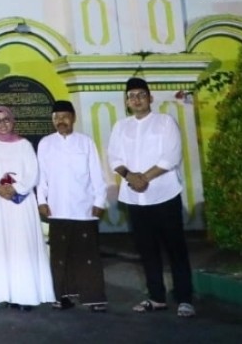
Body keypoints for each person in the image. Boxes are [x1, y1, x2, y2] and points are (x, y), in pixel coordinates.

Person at [107, 76, 195, 318]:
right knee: (147, 250)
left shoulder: (165, 122)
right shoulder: (120, 126)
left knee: (175, 248)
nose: (136, 100)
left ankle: (185, 298)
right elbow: (114, 158)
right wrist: (129, 176)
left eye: (141, 95)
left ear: (150, 98)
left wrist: (143, 177)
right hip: (136, 199)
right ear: (126, 102)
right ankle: (156, 297)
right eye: (131, 96)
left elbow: (171, 156)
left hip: (164, 195)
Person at [36, 99, 109, 312]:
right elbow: (42, 177)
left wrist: (99, 201)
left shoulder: (85, 142)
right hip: (57, 208)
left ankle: (94, 297)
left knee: (87, 255)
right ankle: (62, 296)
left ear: (73, 118)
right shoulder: (46, 143)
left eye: (65, 117)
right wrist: (42, 201)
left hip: (84, 207)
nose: (61, 121)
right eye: (56, 118)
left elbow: (97, 173)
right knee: (60, 255)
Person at [0, 105, 55, 310]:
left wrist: (15, 189)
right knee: (0, 246)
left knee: (22, 246)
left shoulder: (24, 145)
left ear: (12, 121)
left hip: (21, 203)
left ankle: (25, 294)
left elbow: (33, 173)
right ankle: (4, 293)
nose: (2, 124)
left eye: (6, 119)